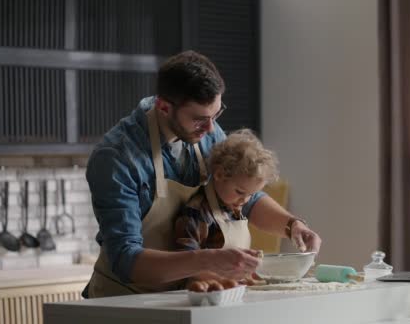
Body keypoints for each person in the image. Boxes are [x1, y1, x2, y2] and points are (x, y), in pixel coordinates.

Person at [84, 50, 321, 298]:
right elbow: (127, 260)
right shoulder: (116, 158)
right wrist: (207, 260)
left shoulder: (205, 131)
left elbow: (245, 197)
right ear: (164, 107)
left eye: (216, 115)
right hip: (125, 302)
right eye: (200, 119)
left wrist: (293, 225)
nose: (210, 129)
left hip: (180, 299)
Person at [173, 129, 278, 287]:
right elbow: (184, 265)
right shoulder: (196, 212)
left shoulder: (233, 209)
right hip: (204, 294)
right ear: (220, 175)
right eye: (240, 192)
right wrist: (227, 281)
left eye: (251, 194)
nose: (245, 200)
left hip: (232, 292)